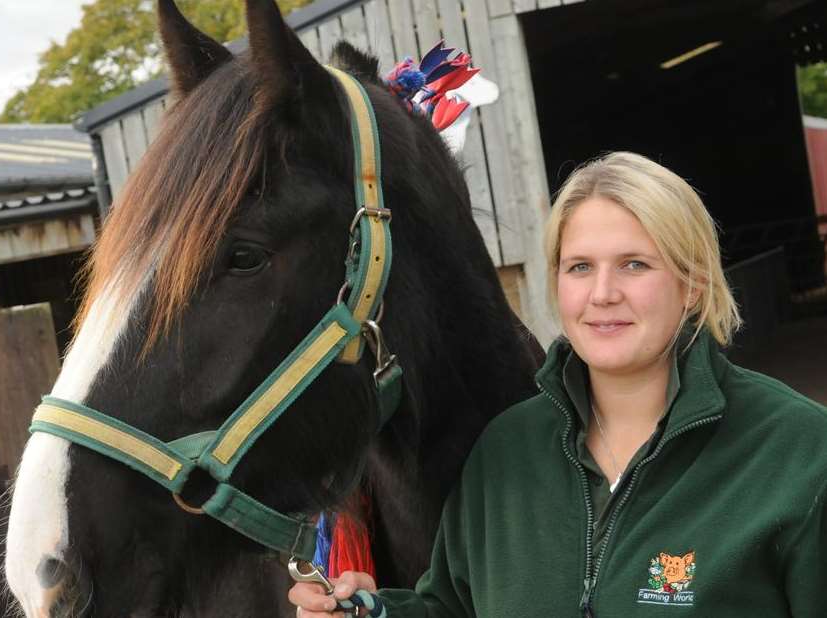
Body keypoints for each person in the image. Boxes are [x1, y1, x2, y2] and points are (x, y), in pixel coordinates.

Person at [289, 151, 827, 617]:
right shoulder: (503, 452)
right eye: (579, 268)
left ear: (692, 286)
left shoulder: (798, 453)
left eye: (635, 264)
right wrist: (373, 612)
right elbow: (452, 608)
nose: (603, 293)